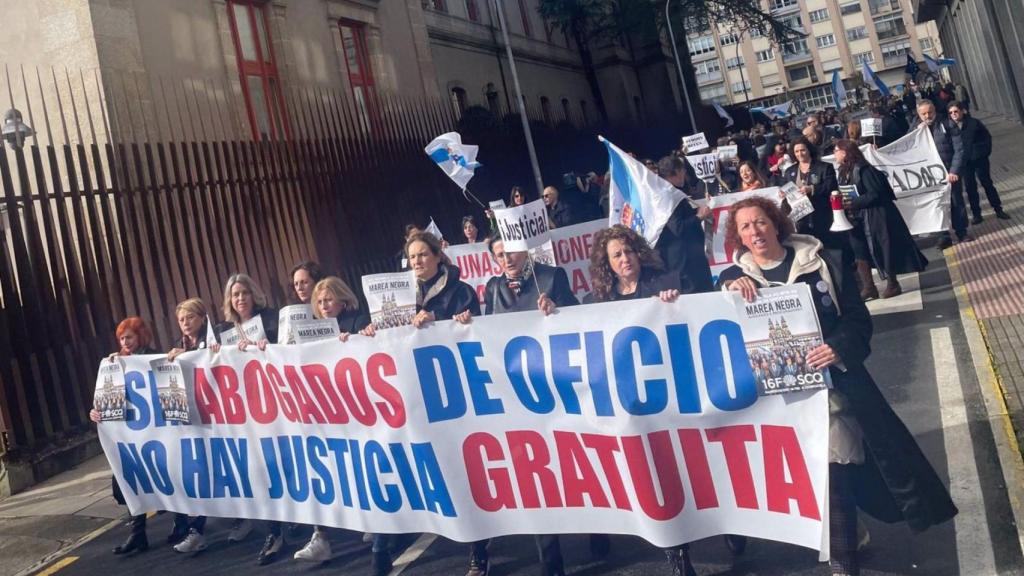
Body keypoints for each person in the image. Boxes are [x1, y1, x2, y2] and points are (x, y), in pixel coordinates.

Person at [717, 197, 957, 575]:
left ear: (776, 225)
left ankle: (844, 564)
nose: (754, 231)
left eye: (760, 222)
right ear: (739, 237)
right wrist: (725, 287)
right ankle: (847, 531)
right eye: (745, 227)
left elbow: (859, 321)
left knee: (836, 470)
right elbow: (706, 327)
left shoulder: (823, 262)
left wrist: (836, 348)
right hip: (777, 404)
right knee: (811, 480)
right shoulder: (732, 280)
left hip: (833, 392)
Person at [583, 225, 745, 575]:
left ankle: (729, 526)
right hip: (638, 406)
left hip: (678, 394)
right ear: (606, 264)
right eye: (616, 255)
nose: (624, 259)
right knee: (661, 477)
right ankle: (679, 558)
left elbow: (702, 309)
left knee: (703, 468)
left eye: (628, 251)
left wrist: (676, 304)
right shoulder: (598, 301)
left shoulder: (666, 281)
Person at [469, 235, 603, 576]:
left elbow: (576, 316)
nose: (506, 259)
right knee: (534, 472)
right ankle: (551, 562)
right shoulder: (494, 287)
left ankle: (599, 527)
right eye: (499, 255)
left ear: (524, 251)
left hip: (557, 386)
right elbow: (486, 333)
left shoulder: (551, 276)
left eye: (510, 252)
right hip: (519, 395)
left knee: (575, 461)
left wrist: (556, 310)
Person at [214, 273, 281, 563]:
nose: (240, 298)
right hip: (245, 412)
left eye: (244, 293)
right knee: (260, 471)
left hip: (276, 406)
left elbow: (288, 350)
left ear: (254, 294)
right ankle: (274, 532)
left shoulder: (272, 321)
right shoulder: (222, 331)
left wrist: (266, 346)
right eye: (234, 294)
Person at [89, 317, 159, 556]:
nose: (125, 342)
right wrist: (96, 412)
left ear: (141, 336)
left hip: (154, 431)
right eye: (121, 338)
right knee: (129, 480)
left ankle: (181, 524)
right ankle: (137, 533)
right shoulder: (114, 364)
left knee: (167, 475)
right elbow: (106, 398)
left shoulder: (153, 357)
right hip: (129, 433)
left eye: (129, 336)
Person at [833, 140, 927, 299]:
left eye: (837, 150)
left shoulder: (865, 170)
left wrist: (853, 202)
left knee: (883, 248)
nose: (835, 154)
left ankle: (892, 283)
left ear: (846, 152)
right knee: (859, 250)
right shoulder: (843, 171)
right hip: (855, 217)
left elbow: (876, 193)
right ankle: (869, 286)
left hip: (875, 216)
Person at [165, 300, 215, 553]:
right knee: (202, 474)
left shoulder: (215, 339)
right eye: (181, 319)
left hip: (219, 418)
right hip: (195, 422)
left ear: (202, 318)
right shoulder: (179, 346)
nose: (185, 323)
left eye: (189, 317)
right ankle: (197, 531)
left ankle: (244, 519)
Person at [363, 232, 479, 337]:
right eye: (412, 257)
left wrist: (436, 318)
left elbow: (478, 329)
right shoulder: (401, 295)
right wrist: (375, 331)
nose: (416, 261)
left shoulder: (462, 291)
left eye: (423, 255)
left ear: (438, 257)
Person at [915, 100, 971, 248]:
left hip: (949, 172)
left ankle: (961, 232)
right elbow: (904, 147)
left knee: (956, 202)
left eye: (930, 112)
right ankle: (943, 236)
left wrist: (954, 170)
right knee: (936, 206)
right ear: (919, 115)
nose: (928, 116)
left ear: (934, 110)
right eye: (924, 114)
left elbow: (959, 149)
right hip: (930, 176)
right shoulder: (915, 128)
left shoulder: (947, 123)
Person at [655, 156, 715, 294]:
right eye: (683, 170)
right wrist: (700, 216)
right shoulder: (667, 195)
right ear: (675, 171)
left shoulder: (669, 192)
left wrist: (699, 211)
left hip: (689, 259)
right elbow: (678, 227)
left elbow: (679, 217)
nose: (685, 174)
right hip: (686, 263)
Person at [948, 101, 1010, 223]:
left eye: (956, 111)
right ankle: (977, 214)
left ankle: (998, 209)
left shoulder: (974, 123)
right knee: (970, 188)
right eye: (951, 113)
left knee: (987, 183)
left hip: (979, 159)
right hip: (964, 163)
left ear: (962, 111)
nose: (954, 114)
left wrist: (983, 153)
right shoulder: (949, 127)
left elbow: (986, 138)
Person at [782, 136, 841, 248]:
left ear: (809, 149)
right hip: (801, 218)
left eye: (803, 150)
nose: (800, 154)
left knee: (828, 247)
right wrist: (783, 193)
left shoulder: (824, 167)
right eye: (796, 151)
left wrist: (812, 189)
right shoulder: (790, 171)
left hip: (822, 215)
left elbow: (831, 186)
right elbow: (786, 189)